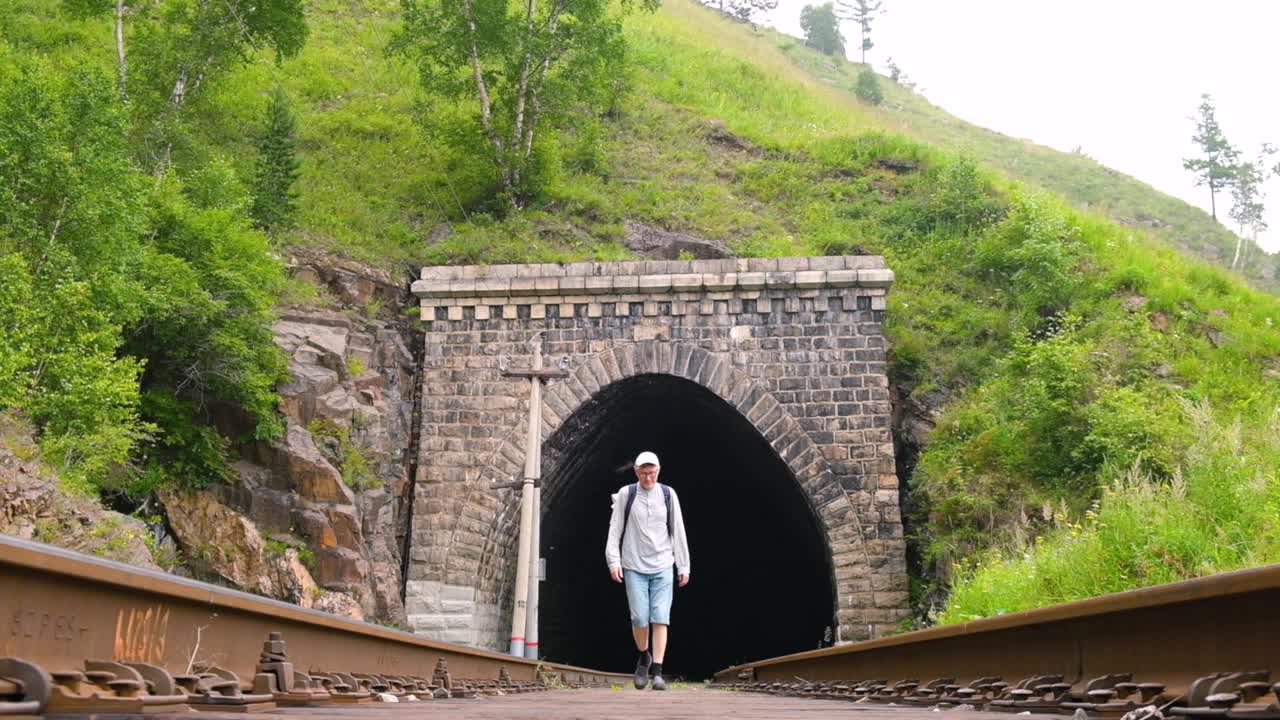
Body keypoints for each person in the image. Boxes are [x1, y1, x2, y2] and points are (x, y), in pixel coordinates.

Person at [605, 451, 691, 691]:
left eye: (652, 472)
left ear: (659, 471)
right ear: (636, 472)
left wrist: (683, 565)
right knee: (640, 617)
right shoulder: (627, 494)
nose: (648, 477)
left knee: (660, 616)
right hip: (634, 565)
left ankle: (658, 672)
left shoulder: (667, 494)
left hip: (663, 564)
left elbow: (678, 529)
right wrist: (614, 560)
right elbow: (615, 529)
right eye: (644, 472)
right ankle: (644, 656)